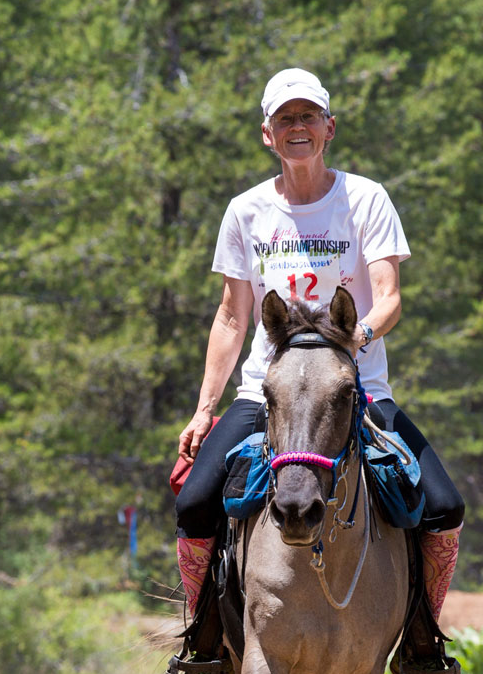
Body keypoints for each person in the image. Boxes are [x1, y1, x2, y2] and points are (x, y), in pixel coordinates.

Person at [175, 67, 464, 623]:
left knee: (445, 505)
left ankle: (424, 643)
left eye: (309, 116)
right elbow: (233, 318)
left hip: (354, 386)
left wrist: (356, 339)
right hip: (266, 391)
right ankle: (202, 639)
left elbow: (389, 297)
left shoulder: (366, 199)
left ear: (329, 128)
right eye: (286, 118)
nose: (298, 126)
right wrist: (204, 409)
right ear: (268, 134)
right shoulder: (246, 210)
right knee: (194, 503)